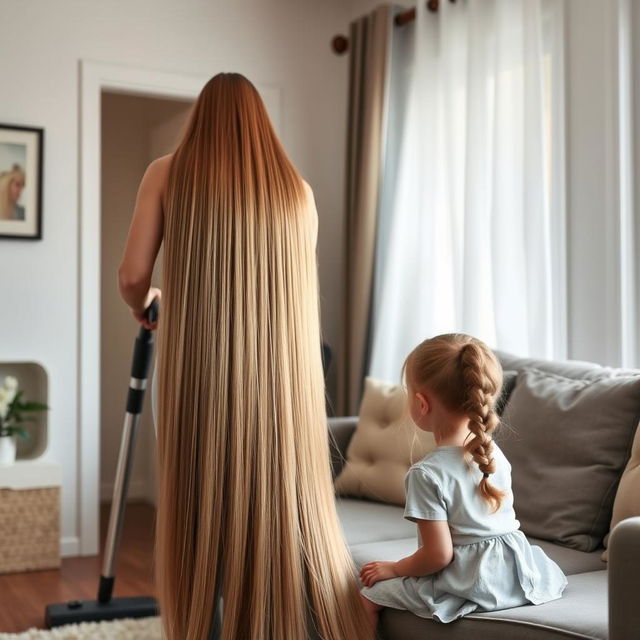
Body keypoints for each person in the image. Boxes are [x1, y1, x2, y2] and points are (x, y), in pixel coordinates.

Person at [117, 73, 371, 640]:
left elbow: (133, 276)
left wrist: (149, 303)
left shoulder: (168, 173)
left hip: (196, 376)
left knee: (199, 507)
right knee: (272, 504)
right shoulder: (297, 192)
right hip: (279, 384)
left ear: (199, 119)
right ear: (263, 125)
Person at [359, 333, 567, 635]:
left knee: (366, 598)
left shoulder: (425, 474)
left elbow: (437, 556)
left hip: (471, 582)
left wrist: (394, 568)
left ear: (421, 404)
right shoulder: (491, 452)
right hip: (517, 575)